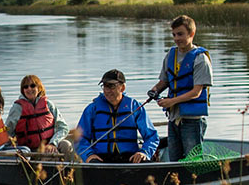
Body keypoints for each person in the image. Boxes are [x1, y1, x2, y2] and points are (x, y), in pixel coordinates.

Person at [147, 15, 211, 161]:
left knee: (192, 160)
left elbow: (196, 92)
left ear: (191, 34)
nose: (176, 38)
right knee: (174, 159)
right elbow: (164, 81)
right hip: (174, 117)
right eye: (174, 35)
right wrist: (154, 91)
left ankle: (195, 183)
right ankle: (177, 184)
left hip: (192, 119)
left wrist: (172, 101)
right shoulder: (171, 55)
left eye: (180, 34)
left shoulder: (201, 59)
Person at [75, 69, 160, 163]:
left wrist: (144, 152)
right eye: (105, 86)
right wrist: (89, 155)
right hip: (100, 159)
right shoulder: (92, 109)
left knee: (148, 165)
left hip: (130, 158)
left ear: (122, 87)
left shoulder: (134, 107)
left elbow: (151, 136)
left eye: (111, 86)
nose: (107, 90)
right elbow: (80, 138)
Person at [5, 75, 72, 154]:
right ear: (23, 90)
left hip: (49, 145)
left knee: (66, 145)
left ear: (39, 88)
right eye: (26, 87)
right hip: (29, 151)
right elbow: (8, 132)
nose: (29, 89)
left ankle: (67, 166)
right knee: (49, 155)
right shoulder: (17, 108)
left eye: (33, 86)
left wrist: (53, 143)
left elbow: (63, 127)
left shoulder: (48, 104)